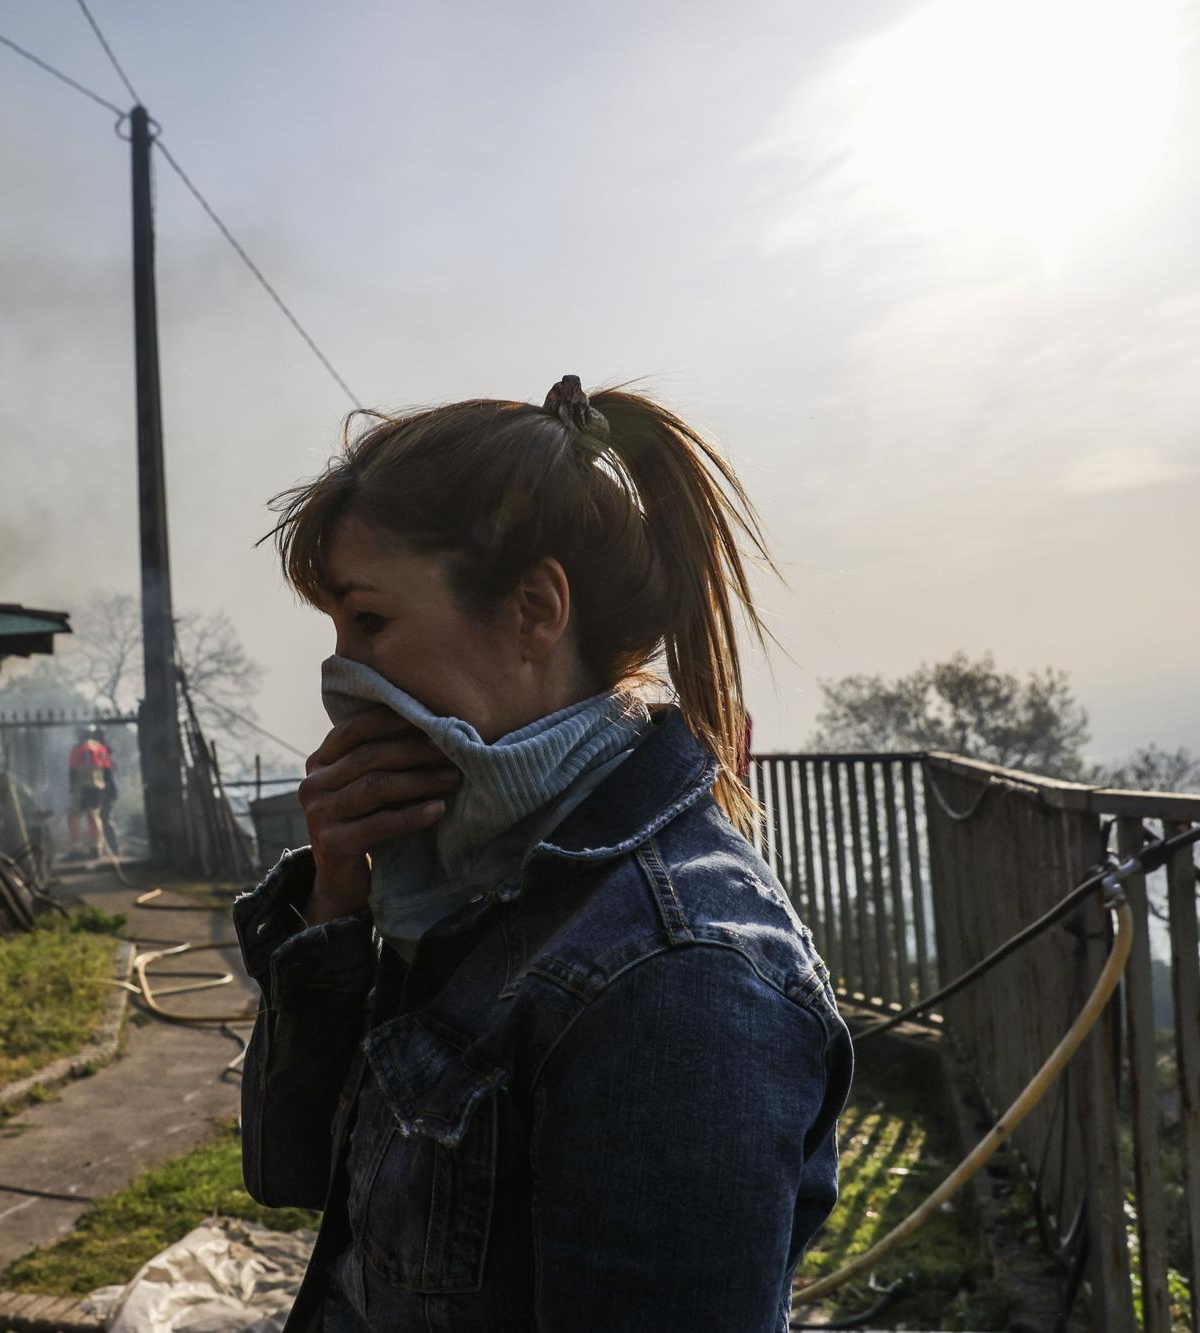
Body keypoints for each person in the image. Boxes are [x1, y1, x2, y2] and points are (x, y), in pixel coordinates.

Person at [234, 377, 851, 1331]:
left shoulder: (678, 980)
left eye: (371, 621)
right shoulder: (448, 871)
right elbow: (294, 1170)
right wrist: (334, 908)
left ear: (533, 610)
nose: (343, 675)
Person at [67, 726, 113, 857]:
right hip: (98, 787)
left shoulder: (77, 749)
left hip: (82, 787)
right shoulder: (101, 748)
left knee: (73, 817)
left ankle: (77, 847)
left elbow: (73, 770)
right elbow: (107, 769)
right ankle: (96, 846)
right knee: (94, 816)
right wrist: (106, 785)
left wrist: (72, 787)